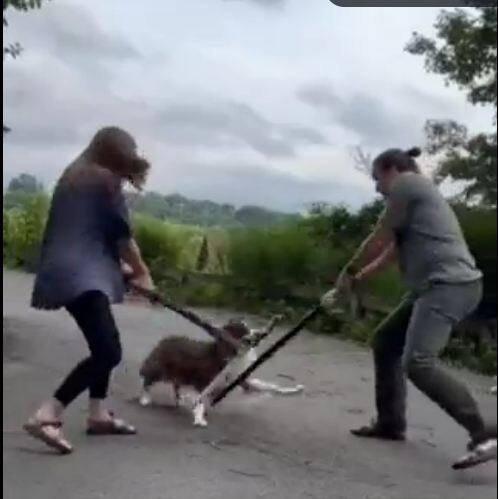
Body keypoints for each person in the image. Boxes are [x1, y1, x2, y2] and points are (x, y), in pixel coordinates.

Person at [322, 146, 496, 465]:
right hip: (432, 288)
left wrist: (345, 272)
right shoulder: (415, 201)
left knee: (418, 362)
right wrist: (356, 279)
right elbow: (388, 252)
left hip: (449, 286)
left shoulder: (408, 184)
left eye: (377, 178)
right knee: (386, 341)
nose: (377, 187)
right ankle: (390, 423)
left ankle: (485, 432)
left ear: (391, 170)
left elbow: (378, 235)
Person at [23, 127, 155, 454]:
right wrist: (142, 274)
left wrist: (117, 268)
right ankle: (47, 415)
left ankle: (98, 415)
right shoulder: (105, 181)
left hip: (67, 270)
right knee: (108, 352)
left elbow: (87, 233)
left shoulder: (74, 175)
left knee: (105, 344)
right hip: (81, 276)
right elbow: (123, 239)